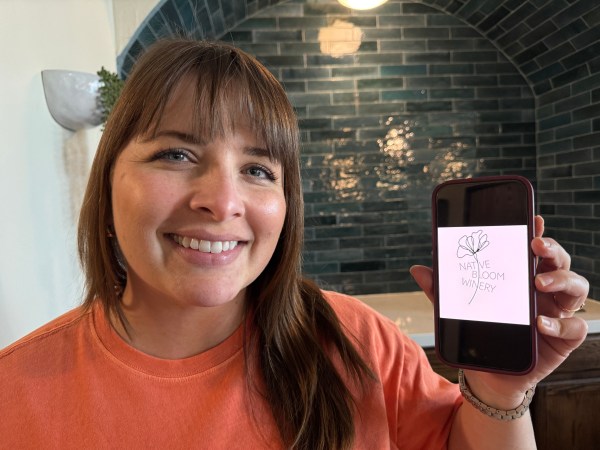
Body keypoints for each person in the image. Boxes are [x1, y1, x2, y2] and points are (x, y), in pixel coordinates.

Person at [0, 38, 589, 449]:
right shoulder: (15, 396)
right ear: (107, 184)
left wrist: (499, 392)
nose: (223, 202)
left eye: (258, 170)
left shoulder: (360, 342)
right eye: (175, 154)